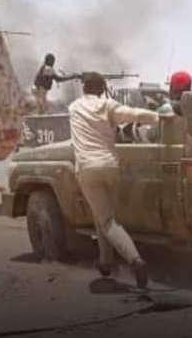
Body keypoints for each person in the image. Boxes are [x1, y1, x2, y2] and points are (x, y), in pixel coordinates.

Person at [68, 72, 159, 288]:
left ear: (84, 88)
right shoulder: (108, 106)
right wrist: (160, 117)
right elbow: (134, 114)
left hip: (88, 169)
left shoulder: (74, 108)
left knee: (107, 220)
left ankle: (135, 260)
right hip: (110, 167)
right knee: (104, 215)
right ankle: (105, 262)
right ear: (102, 89)